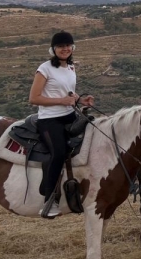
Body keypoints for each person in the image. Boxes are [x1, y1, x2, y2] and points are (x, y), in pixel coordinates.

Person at [29, 31, 94, 218]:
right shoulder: (45, 68)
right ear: (53, 49)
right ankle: (50, 201)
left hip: (69, 115)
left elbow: (69, 95)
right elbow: (34, 98)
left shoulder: (71, 67)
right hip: (50, 119)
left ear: (72, 48)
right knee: (58, 153)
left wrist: (81, 100)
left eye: (68, 45)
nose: (65, 49)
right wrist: (61, 101)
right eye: (60, 46)